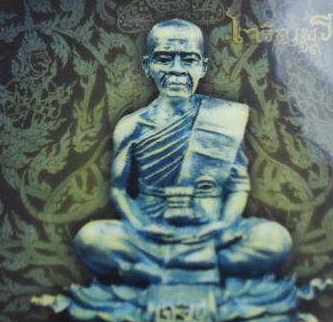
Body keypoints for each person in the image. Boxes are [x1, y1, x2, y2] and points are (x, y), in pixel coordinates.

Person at [74, 18, 292, 287]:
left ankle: (153, 271)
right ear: (147, 66)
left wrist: (223, 226)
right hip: (152, 233)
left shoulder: (224, 117)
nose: (177, 69)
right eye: (165, 59)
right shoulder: (131, 126)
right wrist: (141, 226)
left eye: (188, 59)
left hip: (211, 230)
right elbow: (119, 189)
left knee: (274, 239)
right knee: (90, 239)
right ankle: (198, 267)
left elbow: (238, 185)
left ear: (203, 67)